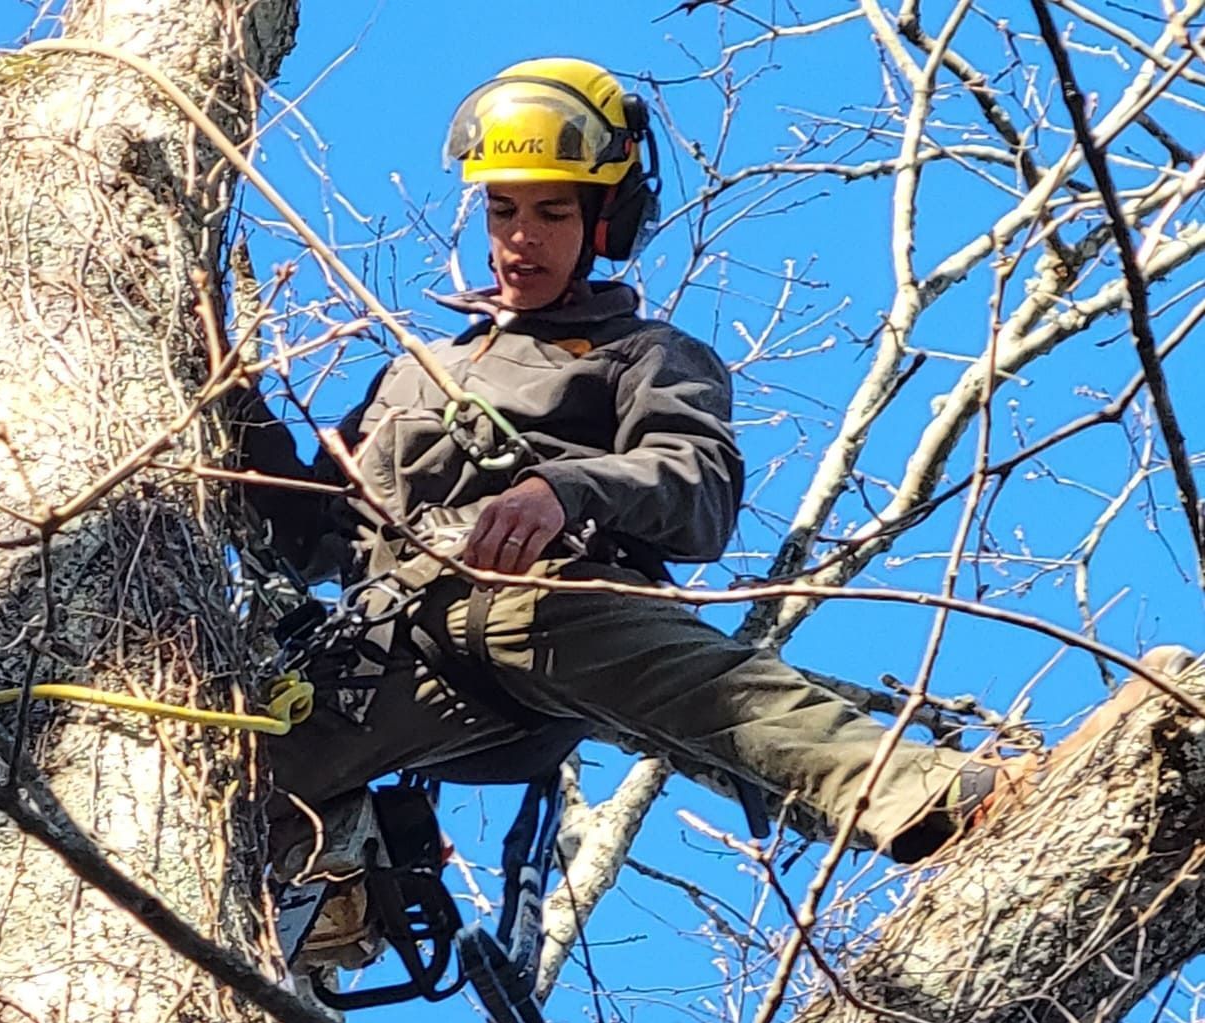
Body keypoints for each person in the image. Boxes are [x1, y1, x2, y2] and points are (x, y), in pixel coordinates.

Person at [235, 58, 1021, 923]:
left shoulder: (642, 355)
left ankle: (943, 795)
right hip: (386, 657)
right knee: (225, 776)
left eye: (552, 213)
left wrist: (565, 489)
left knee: (712, 691)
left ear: (605, 220)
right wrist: (226, 401)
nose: (522, 238)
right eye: (503, 210)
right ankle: (320, 893)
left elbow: (698, 488)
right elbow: (310, 534)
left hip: (545, 609)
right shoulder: (415, 374)